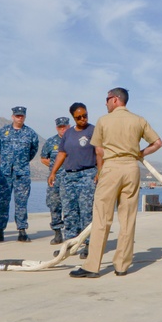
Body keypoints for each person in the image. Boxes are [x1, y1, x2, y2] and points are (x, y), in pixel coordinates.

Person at [70, 87, 162, 279]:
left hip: (111, 168)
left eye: (107, 99)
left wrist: (101, 172)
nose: (105, 103)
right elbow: (158, 143)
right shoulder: (139, 120)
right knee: (128, 219)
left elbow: (99, 151)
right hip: (131, 168)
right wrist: (139, 154)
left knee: (102, 217)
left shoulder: (103, 121)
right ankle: (122, 265)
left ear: (115, 99)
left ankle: (92, 266)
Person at [50, 103, 98, 258]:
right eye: (79, 117)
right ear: (73, 117)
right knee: (70, 212)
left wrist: (100, 173)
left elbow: (100, 153)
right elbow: (62, 154)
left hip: (87, 174)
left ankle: (89, 245)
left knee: (86, 211)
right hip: (69, 176)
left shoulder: (93, 130)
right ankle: (70, 244)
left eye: (85, 115)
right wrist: (53, 172)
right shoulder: (68, 133)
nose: (83, 119)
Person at [0, 106, 39, 243]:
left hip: (22, 173)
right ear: (12, 116)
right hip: (5, 173)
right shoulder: (2, 132)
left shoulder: (31, 134)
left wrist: (21, 162)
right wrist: (7, 162)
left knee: (21, 202)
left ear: (25, 117)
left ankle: (22, 231)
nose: (19, 118)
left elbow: (32, 151)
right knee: (2, 201)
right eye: (17, 116)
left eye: (21, 116)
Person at [40, 117, 70, 245]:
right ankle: (57, 233)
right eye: (60, 127)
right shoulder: (51, 142)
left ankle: (71, 233)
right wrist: (55, 166)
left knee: (70, 206)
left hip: (71, 178)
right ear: (57, 128)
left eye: (64, 126)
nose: (62, 129)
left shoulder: (73, 139)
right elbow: (43, 158)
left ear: (69, 126)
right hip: (55, 178)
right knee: (54, 205)